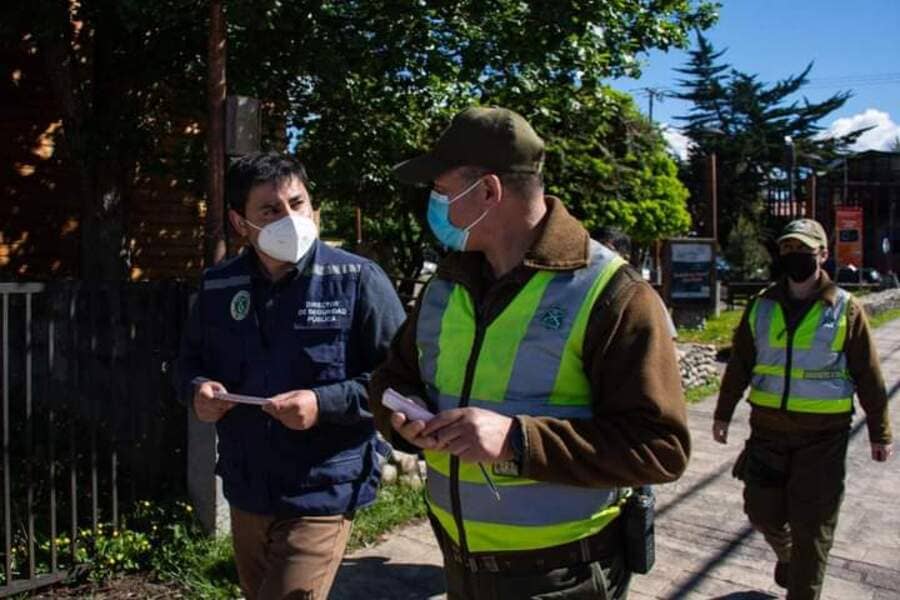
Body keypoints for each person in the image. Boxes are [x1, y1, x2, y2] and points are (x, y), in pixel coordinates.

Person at [369, 106, 690, 599]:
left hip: (563, 579)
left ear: (489, 192)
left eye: (441, 190)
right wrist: (402, 418)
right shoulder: (447, 284)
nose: (433, 204)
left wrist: (517, 442)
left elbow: (660, 448)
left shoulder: (612, 293)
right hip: (460, 566)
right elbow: (392, 378)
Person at [175, 152, 406, 600]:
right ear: (240, 222)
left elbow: (399, 383)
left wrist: (324, 403)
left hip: (322, 488)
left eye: (297, 203)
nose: (291, 218)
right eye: (271, 210)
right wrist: (196, 391)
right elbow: (189, 363)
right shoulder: (219, 286)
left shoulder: (357, 279)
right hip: (247, 488)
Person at [713, 218, 894, 600]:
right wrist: (722, 413)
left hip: (823, 438)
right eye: (789, 249)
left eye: (804, 250)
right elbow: (740, 365)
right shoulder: (761, 307)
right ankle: (787, 553)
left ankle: (802, 585)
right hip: (767, 431)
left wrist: (880, 432)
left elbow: (870, 377)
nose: (795, 256)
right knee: (761, 511)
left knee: (813, 528)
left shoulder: (846, 309)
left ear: (823, 255)